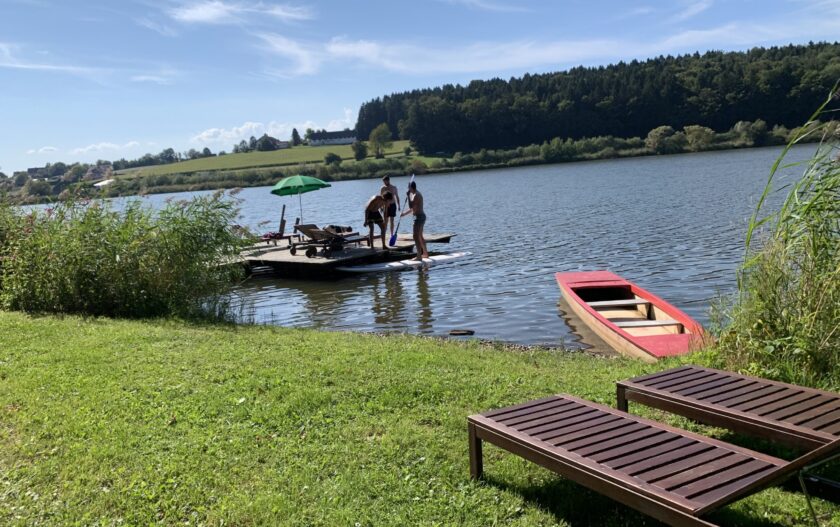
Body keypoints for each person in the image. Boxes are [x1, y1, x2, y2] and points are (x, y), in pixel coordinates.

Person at [400, 181, 428, 261]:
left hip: (419, 218)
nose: (407, 189)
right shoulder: (416, 194)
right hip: (420, 217)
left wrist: (408, 196)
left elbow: (411, 205)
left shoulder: (416, 195)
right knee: (419, 236)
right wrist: (404, 214)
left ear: (411, 187)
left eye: (408, 187)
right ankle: (425, 254)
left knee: (415, 236)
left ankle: (419, 256)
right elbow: (413, 208)